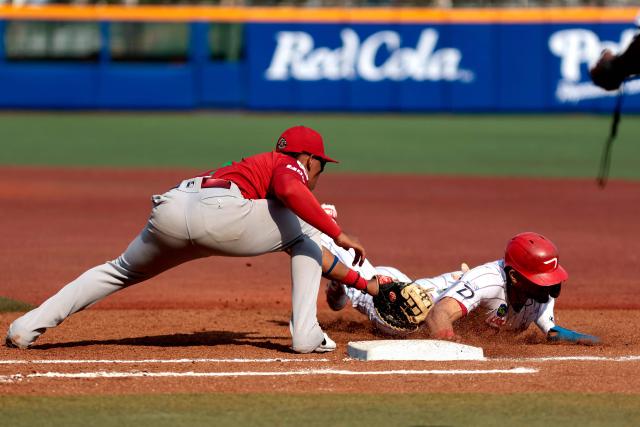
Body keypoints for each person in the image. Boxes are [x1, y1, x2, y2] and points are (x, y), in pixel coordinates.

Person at [5, 126, 366, 354]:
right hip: (221, 212)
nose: (320, 170)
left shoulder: (248, 168)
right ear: (307, 157)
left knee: (117, 271)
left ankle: (26, 327)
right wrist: (341, 239)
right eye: (321, 163)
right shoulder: (287, 165)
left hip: (172, 208)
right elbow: (291, 189)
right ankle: (306, 333)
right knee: (305, 231)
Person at [320, 208, 598, 345]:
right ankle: (321, 227)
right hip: (412, 301)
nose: (548, 286)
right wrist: (451, 341)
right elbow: (439, 314)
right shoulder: (487, 281)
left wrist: (592, 341)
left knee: (372, 287)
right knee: (400, 309)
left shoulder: (539, 292)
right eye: (541, 279)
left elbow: (554, 331)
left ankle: (341, 286)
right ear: (515, 277)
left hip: (440, 286)